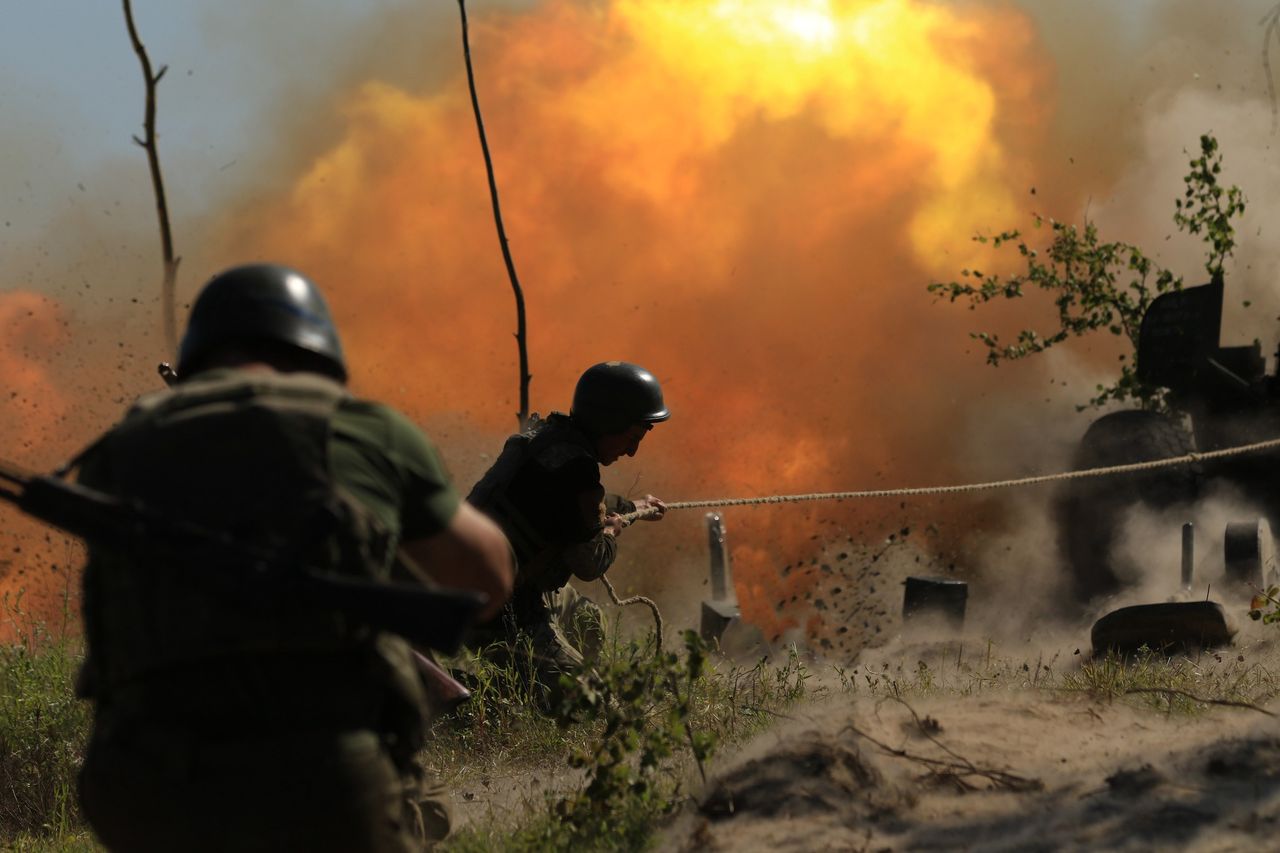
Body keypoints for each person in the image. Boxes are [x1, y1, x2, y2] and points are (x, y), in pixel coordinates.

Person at [73, 263, 513, 852]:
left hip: (143, 788)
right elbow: (489, 580)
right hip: (323, 780)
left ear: (199, 355)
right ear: (320, 355)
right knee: (422, 813)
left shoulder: (119, 448)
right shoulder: (363, 429)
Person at [467, 361, 669, 697]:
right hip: (499, 608)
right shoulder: (575, 471)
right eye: (631, 438)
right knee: (590, 705)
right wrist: (611, 534)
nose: (632, 451)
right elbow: (589, 563)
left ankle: (544, 677)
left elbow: (578, 509)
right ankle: (479, 697)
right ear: (609, 423)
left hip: (487, 582)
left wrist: (634, 507)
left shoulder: (550, 441)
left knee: (587, 622)